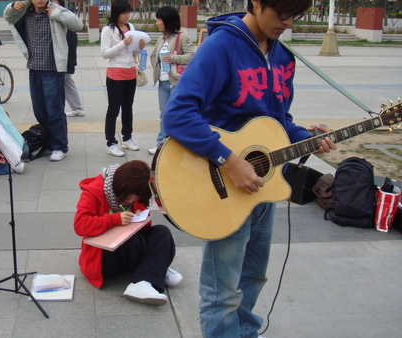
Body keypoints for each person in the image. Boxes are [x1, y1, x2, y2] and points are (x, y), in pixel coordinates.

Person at [162, 0, 337, 336]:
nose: (287, 23)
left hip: (263, 186)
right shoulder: (221, 47)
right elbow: (177, 114)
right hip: (224, 184)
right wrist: (229, 160)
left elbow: (277, 122)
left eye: (295, 16)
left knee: (255, 277)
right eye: (281, 13)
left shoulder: (282, 57)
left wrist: (308, 137)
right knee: (222, 292)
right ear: (256, 2)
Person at [73, 160, 182, 306]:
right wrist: (113, 220)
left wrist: (140, 215)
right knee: (128, 236)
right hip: (104, 257)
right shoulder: (94, 191)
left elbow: (145, 228)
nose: (130, 201)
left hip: (129, 251)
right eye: (129, 197)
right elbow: (80, 225)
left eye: (135, 198)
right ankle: (153, 270)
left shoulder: (135, 193)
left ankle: (151, 272)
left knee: (162, 232)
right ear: (120, 187)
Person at [4, 0, 83, 162]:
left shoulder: (56, 10)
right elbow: (8, 16)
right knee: (39, 110)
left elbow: (78, 25)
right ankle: (48, 141)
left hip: (53, 70)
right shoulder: (25, 11)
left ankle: (60, 146)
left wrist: (57, 14)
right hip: (34, 68)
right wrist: (12, 6)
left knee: (54, 111)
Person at [147, 6, 194, 155]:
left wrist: (174, 58)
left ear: (167, 20)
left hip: (176, 83)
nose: (157, 23)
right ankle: (161, 144)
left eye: (159, 19)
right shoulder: (161, 39)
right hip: (163, 83)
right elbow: (154, 55)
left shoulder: (181, 37)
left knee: (176, 115)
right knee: (164, 115)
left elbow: (192, 55)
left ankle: (179, 143)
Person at [101, 0, 145, 157]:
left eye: (128, 12)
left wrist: (140, 47)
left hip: (130, 72)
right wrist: (122, 43)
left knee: (128, 107)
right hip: (115, 74)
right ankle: (111, 142)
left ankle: (127, 137)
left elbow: (134, 53)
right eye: (124, 12)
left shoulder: (131, 27)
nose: (127, 15)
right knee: (113, 108)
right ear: (116, 13)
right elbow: (105, 53)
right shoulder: (108, 30)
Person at [54, 0, 84, 117]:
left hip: (64, 59)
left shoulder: (66, 19)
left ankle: (77, 107)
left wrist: (68, 62)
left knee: (65, 81)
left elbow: (71, 42)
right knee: (67, 81)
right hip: (60, 59)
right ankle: (77, 107)